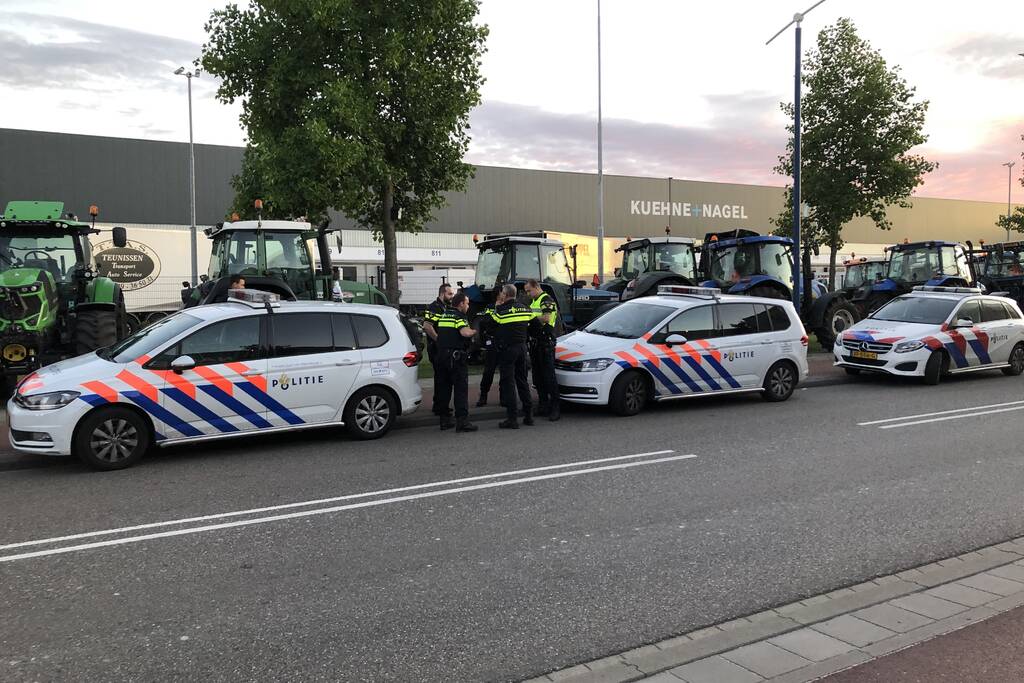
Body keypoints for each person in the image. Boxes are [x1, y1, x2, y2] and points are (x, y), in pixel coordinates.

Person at [488, 284, 549, 429]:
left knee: (508, 383)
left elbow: (490, 328)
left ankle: (512, 418)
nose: (501, 294)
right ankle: (528, 416)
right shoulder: (525, 308)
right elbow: (536, 327)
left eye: (502, 292)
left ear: (505, 294)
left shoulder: (500, 311)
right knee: (522, 381)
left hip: (507, 350)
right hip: (522, 348)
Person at [433, 292, 478, 433]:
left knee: (444, 389)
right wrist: (475, 331)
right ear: (460, 304)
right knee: (460, 390)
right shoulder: (459, 316)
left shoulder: (444, 315)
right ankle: (462, 422)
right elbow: (465, 333)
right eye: (467, 303)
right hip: (455, 358)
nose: (468, 306)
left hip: (441, 356)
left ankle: (444, 420)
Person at [524, 279, 560, 421]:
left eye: (529, 290)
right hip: (535, 343)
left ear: (536, 287)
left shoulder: (547, 300)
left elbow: (546, 317)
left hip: (546, 343)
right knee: (538, 377)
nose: (528, 294)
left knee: (549, 377)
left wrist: (529, 317)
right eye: (526, 291)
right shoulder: (534, 302)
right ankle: (543, 404)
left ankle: (555, 407)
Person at [422, 283, 455, 415]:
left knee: (442, 378)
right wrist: (439, 341)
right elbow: (427, 326)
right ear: (442, 293)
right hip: (436, 348)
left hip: (441, 348)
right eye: (449, 294)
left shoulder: (445, 307)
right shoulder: (434, 307)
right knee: (442, 378)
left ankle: (439, 405)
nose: (451, 296)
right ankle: (441, 408)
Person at [476, 302, 498, 407]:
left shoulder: (508, 306)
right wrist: (484, 342)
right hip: (492, 342)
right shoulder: (490, 307)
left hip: (504, 343)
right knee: (489, 371)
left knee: (507, 372)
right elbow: (484, 322)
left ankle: (504, 397)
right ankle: (483, 395)